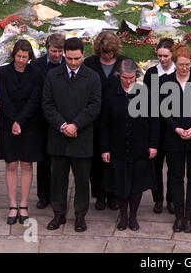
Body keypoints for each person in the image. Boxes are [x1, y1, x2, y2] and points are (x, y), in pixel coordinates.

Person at [42, 37, 101, 232]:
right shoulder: (52, 76)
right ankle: (58, 214)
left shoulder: (92, 77)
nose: (73, 63)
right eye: (69, 59)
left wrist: (76, 125)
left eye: (77, 59)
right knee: (58, 179)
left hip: (82, 138)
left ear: (83, 55)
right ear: (64, 55)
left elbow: (94, 106)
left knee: (82, 180)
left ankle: (80, 216)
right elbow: (47, 105)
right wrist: (63, 125)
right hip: (58, 138)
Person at [100, 59, 158, 231]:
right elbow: (104, 124)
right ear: (120, 76)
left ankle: (133, 216)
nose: (128, 81)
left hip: (139, 147)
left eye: (131, 78)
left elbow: (154, 121)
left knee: (136, 185)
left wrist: (153, 145)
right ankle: (123, 216)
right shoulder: (110, 95)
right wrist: (105, 148)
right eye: (125, 78)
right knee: (120, 185)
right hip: (117, 147)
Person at [161, 43, 191, 233]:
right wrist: (177, 129)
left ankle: (190, 216)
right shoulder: (166, 82)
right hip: (174, 137)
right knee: (175, 177)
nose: (184, 68)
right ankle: (179, 216)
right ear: (175, 63)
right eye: (181, 64)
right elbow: (164, 109)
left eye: (187, 64)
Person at [0, 40, 44, 225]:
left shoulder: (37, 73)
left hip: (29, 125)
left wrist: (20, 121)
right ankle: (12, 204)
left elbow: (35, 99)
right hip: (8, 124)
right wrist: (14, 121)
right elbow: (3, 97)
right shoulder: (2, 72)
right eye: (18, 56)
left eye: (25, 57)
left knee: (26, 164)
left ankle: (23, 204)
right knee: (10, 165)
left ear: (29, 56)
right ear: (13, 55)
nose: (21, 60)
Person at [84, 31, 127, 212]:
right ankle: (99, 195)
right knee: (96, 160)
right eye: (104, 53)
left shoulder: (124, 63)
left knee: (115, 158)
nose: (107, 56)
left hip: (116, 119)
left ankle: (114, 195)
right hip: (94, 118)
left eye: (110, 53)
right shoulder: (89, 64)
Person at [30, 33, 65, 210]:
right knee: (43, 162)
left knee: (60, 163)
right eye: (53, 51)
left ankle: (59, 195)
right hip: (43, 121)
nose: (57, 55)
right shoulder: (37, 66)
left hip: (62, 120)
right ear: (47, 48)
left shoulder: (69, 64)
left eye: (60, 51)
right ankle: (44, 195)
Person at [143, 38, 176, 215]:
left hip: (173, 128)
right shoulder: (151, 74)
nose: (162, 59)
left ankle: (171, 199)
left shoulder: (179, 72)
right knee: (155, 166)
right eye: (159, 56)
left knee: (173, 167)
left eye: (166, 56)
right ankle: (157, 199)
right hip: (155, 126)